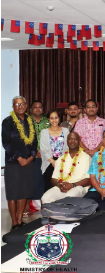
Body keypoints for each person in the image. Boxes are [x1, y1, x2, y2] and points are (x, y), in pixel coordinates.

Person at [2, 96, 38, 230]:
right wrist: (19, 158)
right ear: (13, 107)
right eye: (17, 105)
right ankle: (14, 223)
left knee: (23, 191)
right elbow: (6, 143)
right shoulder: (7, 122)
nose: (20, 106)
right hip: (13, 162)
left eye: (22, 104)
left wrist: (30, 157)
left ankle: (19, 220)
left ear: (26, 105)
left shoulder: (30, 121)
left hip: (28, 162)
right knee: (13, 192)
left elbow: (34, 142)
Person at [41, 132, 91, 204]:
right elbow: (54, 178)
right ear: (67, 141)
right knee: (45, 198)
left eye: (75, 139)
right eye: (70, 139)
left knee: (69, 197)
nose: (72, 141)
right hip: (62, 187)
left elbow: (88, 179)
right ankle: (55, 215)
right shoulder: (61, 159)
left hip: (79, 187)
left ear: (79, 141)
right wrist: (60, 185)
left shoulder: (86, 157)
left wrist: (72, 185)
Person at [40, 110, 69, 193]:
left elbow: (68, 147)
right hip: (49, 163)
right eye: (52, 118)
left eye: (56, 118)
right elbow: (43, 149)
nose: (54, 120)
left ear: (59, 118)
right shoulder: (44, 132)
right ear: (48, 119)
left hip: (63, 162)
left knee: (62, 188)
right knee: (48, 189)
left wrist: (60, 161)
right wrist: (53, 161)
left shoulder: (65, 131)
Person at [29, 100, 50, 212]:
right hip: (30, 157)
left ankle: (44, 203)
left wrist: (43, 151)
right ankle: (33, 205)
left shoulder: (47, 121)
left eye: (40, 107)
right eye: (35, 107)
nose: (38, 109)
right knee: (32, 179)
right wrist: (33, 152)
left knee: (44, 179)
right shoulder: (26, 121)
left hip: (46, 155)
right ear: (31, 109)